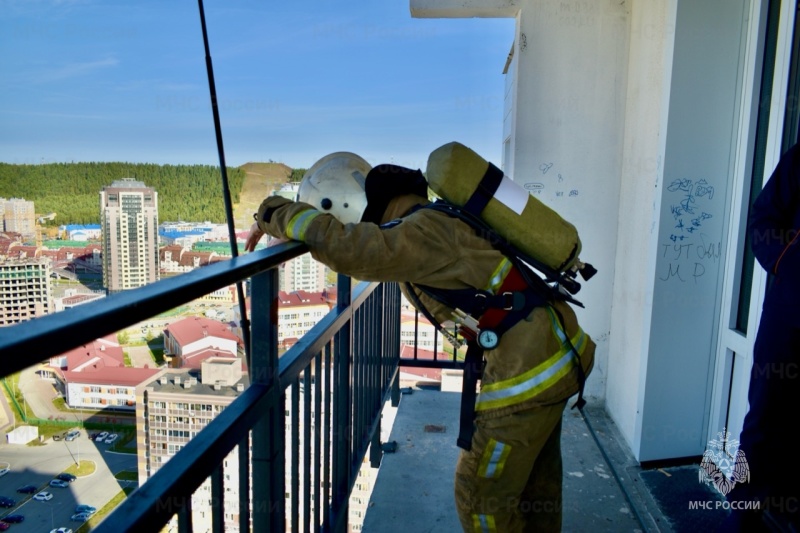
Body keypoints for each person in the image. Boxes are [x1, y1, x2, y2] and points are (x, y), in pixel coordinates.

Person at [245, 150, 595, 532]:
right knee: (534, 483)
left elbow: (348, 249)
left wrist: (271, 213)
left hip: (530, 370)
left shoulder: (421, 232)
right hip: (557, 348)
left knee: (480, 493)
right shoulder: (434, 217)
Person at [720, 143, 800, 532]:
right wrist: (788, 262)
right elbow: (763, 218)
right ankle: (745, 507)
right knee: (767, 409)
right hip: (791, 311)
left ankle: (789, 507)